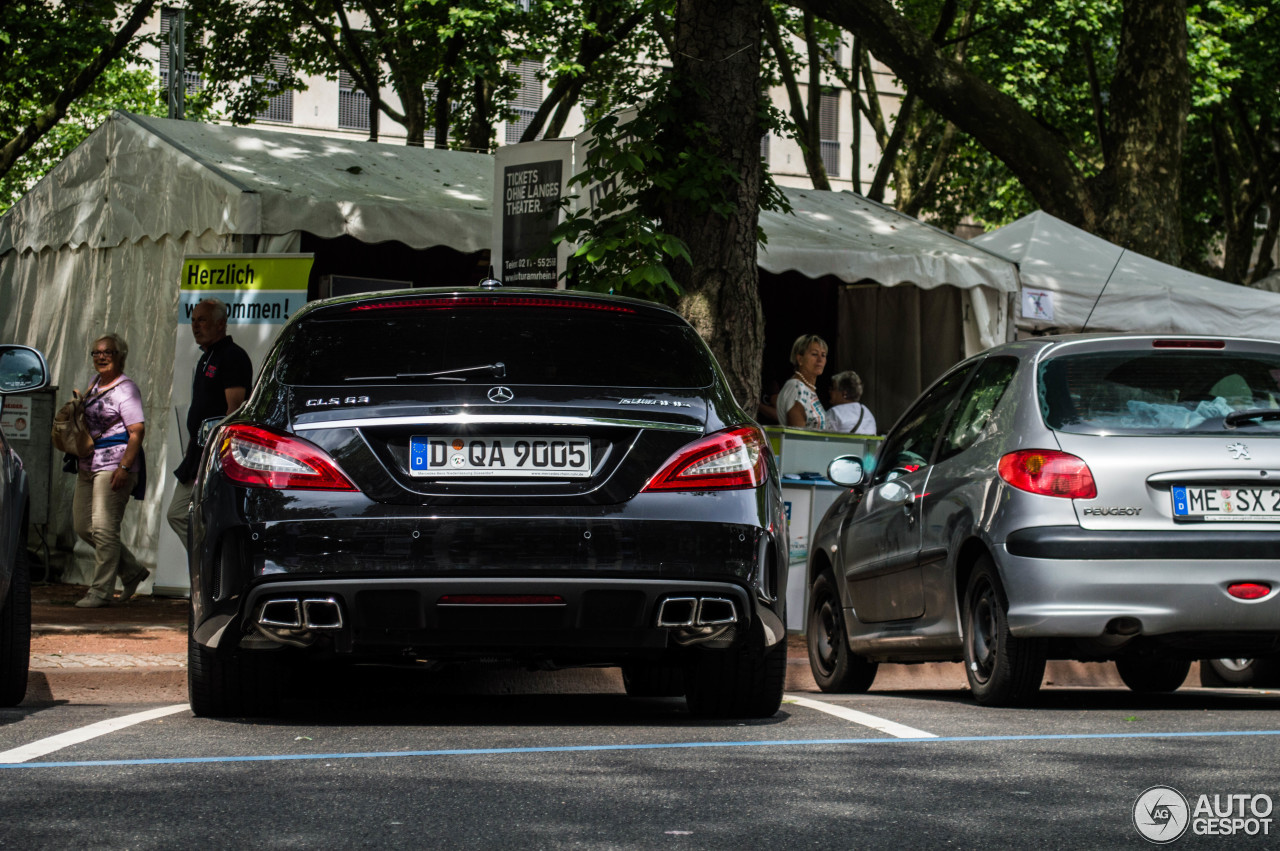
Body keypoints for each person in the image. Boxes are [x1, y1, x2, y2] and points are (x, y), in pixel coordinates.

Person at [167, 298, 252, 550]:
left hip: (215, 453)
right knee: (179, 514)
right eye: (193, 321)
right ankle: (206, 572)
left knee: (206, 516)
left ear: (221, 324)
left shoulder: (233, 356)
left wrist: (218, 453)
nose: (195, 326)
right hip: (197, 452)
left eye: (202, 320)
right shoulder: (206, 357)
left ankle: (210, 572)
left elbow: (234, 410)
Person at [72, 333, 148, 607]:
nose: (101, 357)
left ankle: (100, 592)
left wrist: (125, 467)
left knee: (105, 529)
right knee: (83, 526)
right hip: (88, 463)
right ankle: (132, 571)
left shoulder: (126, 389)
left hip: (115, 463)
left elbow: (137, 431)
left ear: (120, 356)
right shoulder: (94, 384)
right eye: (96, 353)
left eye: (108, 352)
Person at [776, 334, 828, 430]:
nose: (820, 360)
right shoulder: (796, 387)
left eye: (823, 355)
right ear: (800, 359)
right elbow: (798, 436)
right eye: (814, 354)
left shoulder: (808, 388)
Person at [825, 370, 877, 434]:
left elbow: (824, 441)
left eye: (833, 388)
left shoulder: (834, 413)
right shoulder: (867, 412)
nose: (830, 391)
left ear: (844, 393)